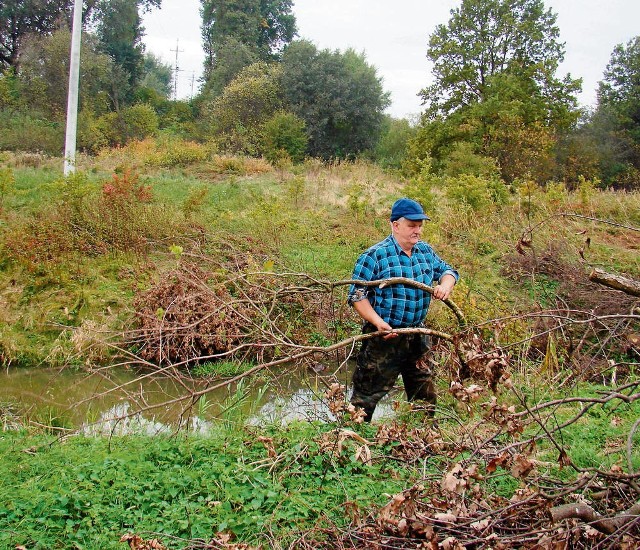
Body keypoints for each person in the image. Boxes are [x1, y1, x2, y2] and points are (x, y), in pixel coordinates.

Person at [347, 198, 459, 422]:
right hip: (384, 337)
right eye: (412, 225)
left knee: (424, 393)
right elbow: (357, 295)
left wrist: (445, 285)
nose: (417, 230)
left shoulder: (425, 252)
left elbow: (448, 270)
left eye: (420, 225)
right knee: (365, 397)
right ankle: (351, 441)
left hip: (417, 336)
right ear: (395, 225)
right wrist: (378, 322)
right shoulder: (374, 256)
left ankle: (421, 438)